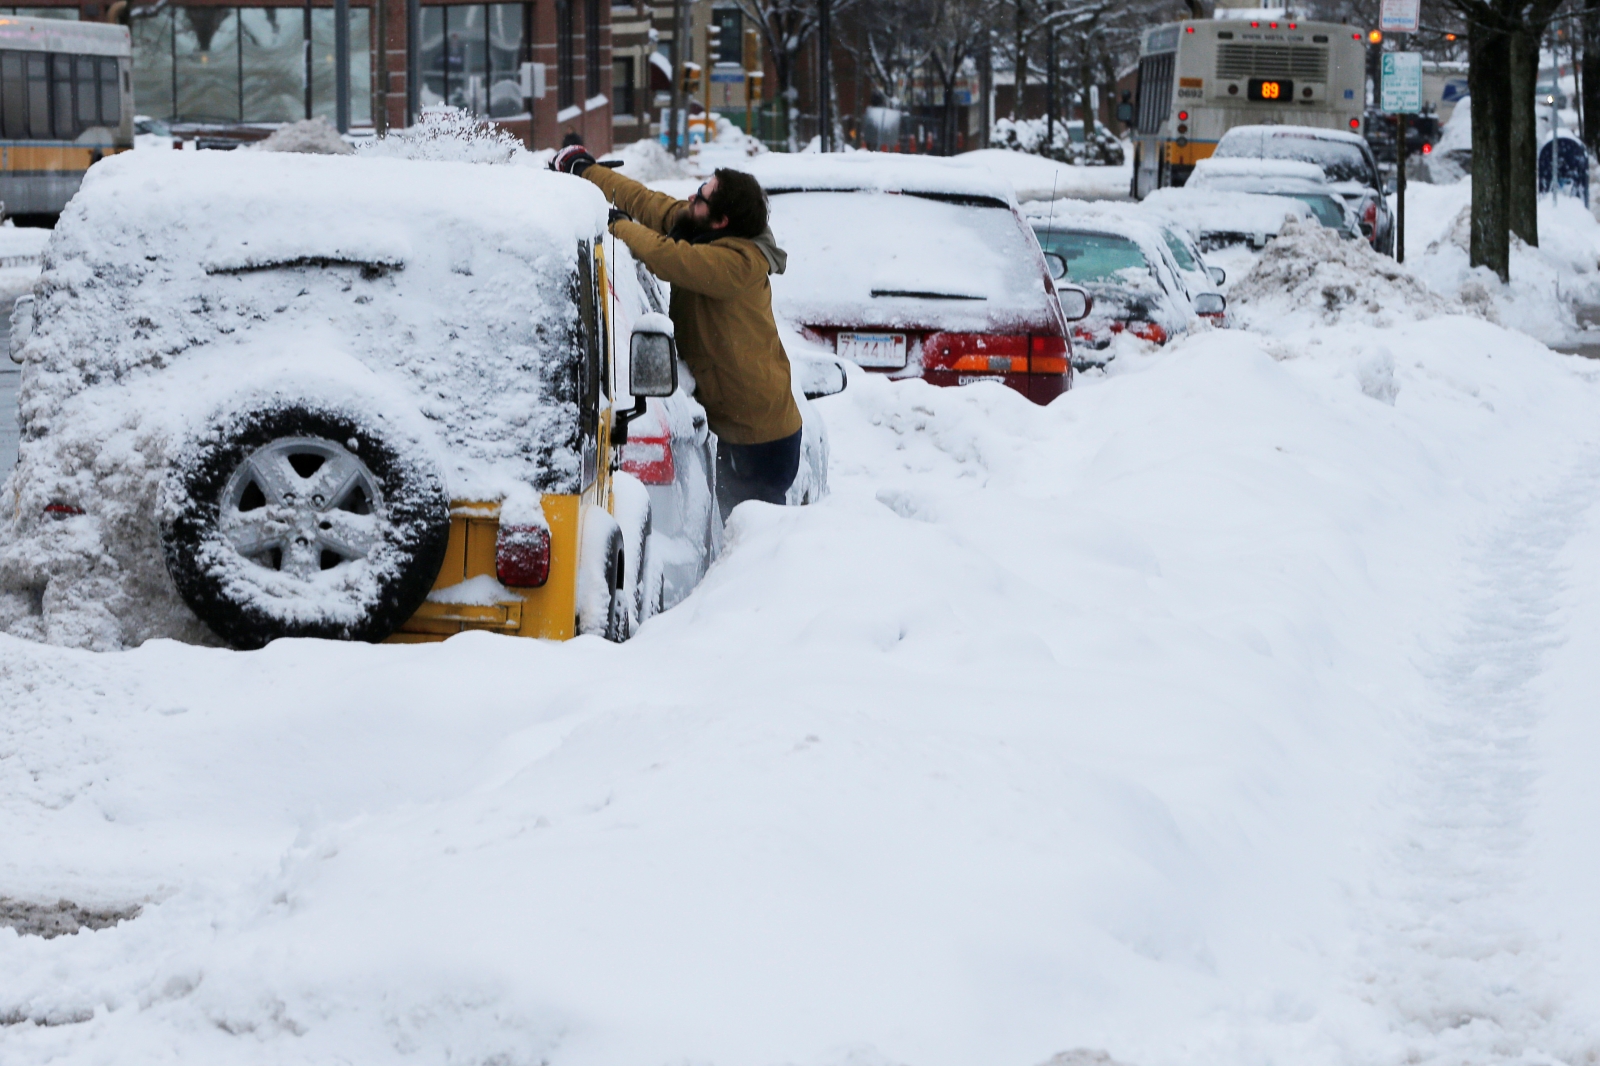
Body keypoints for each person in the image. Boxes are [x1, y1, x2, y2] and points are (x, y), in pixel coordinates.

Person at [550, 142, 803, 521]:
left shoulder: (738, 264)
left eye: (700, 197)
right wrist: (584, 171)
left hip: (761, 438)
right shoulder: (703, 226)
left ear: (721, 221)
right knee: (730, 532)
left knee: (753, 540)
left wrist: (616, 225)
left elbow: (668, 258)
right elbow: (648, 202)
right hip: (729, 423)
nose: (690, 197)